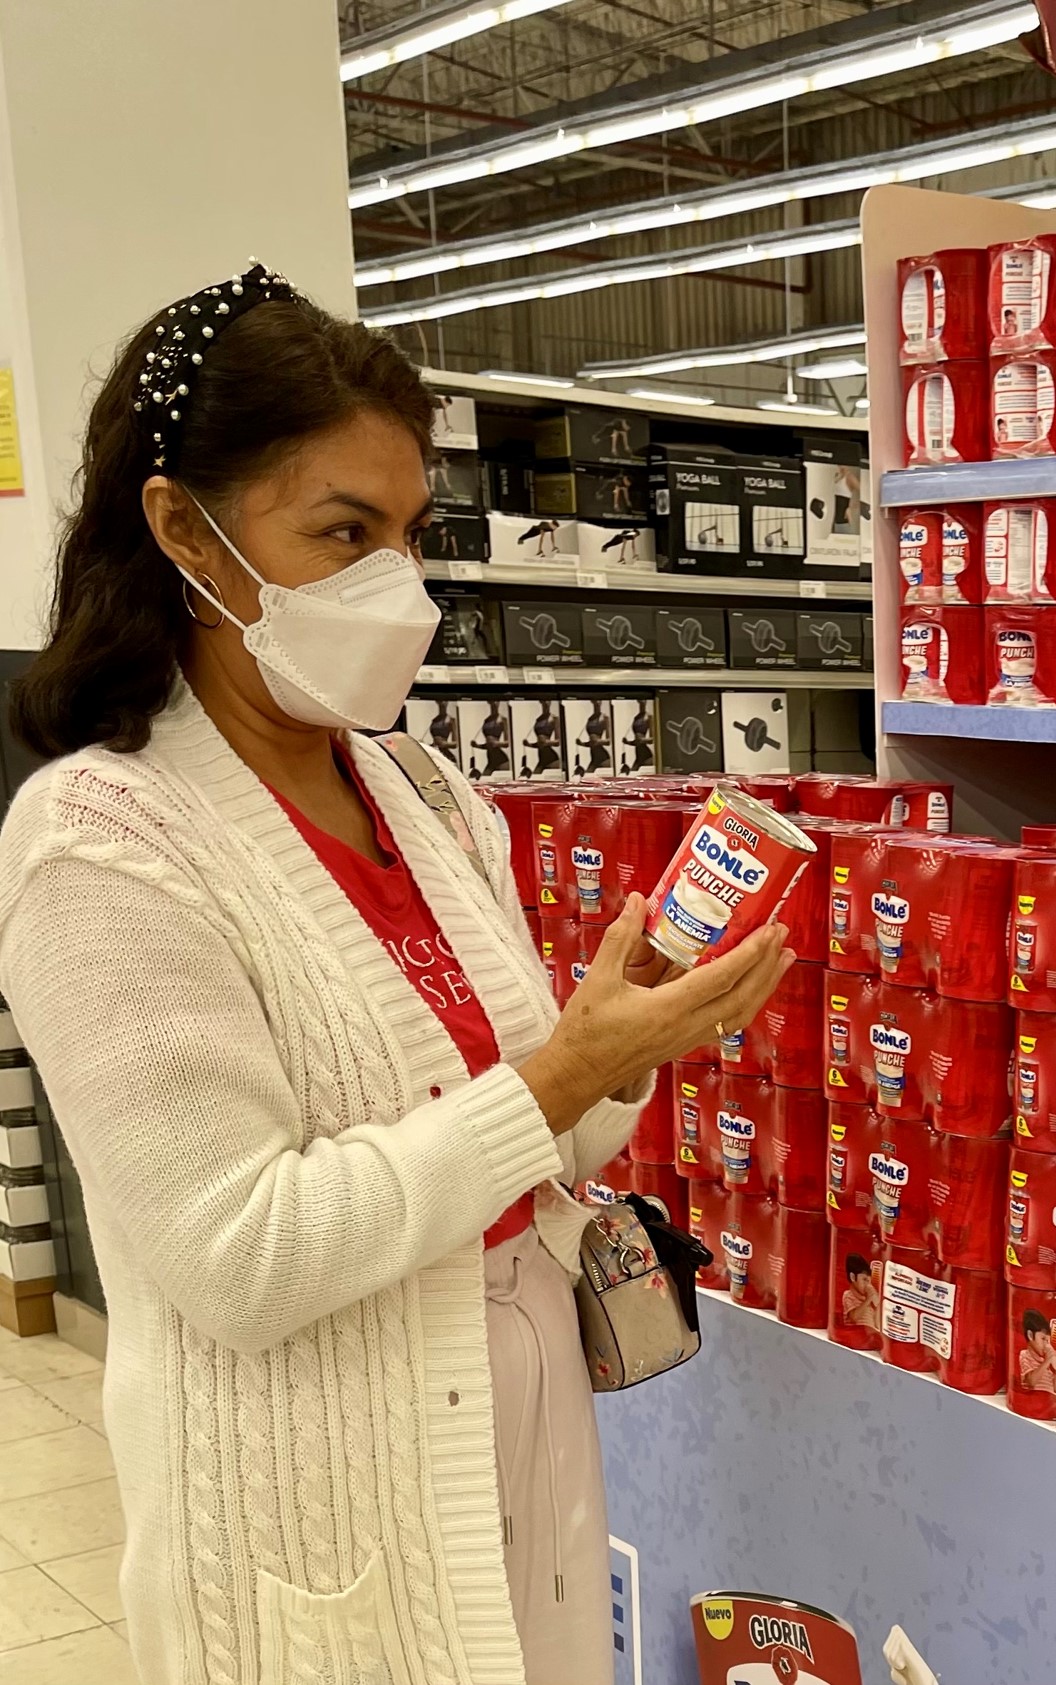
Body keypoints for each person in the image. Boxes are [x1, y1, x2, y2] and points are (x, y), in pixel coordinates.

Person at [0, 264, 794, 1684]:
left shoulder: (422, 794)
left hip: (523, 1464)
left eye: (410, 535)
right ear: (181, 529)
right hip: (320, 1529)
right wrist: (559, 1066)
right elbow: (238, 1256)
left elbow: (546, 1140)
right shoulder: (102, 841)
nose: (397, 588)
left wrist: (635, 1033)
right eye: (342, 533)